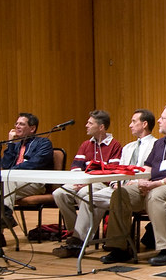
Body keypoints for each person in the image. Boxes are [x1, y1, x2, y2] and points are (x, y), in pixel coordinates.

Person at [99, 104, 166, 266]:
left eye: (163, 118)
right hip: (154, 186)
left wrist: (158, 183)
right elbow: (147, 168)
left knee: (156, 196)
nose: (159, 121)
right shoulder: (160, 144)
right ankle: (120, 248)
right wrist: (139, 181)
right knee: (121, 193)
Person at [51, 109, 156, 257]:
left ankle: (102, 243)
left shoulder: (156, 145)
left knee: (92, 194)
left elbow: (154, 171)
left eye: (133, 121)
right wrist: (114, 183)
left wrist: (136, 182)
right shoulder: (128, 147)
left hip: (139, 189)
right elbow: (117, 170)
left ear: (144, 124)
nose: (130, 125)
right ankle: (78, 240)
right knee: (88, 198)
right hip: (118, 186)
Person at [50, 111, 123, 257]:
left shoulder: (115, 145)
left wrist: (87, 181)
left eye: (90, 123)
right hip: (82, 181)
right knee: (59, 193)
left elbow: (113, 172)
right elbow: (76, 167)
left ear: (101, 127)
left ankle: (79, 239)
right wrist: (79, 181)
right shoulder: (86, 144)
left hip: (100, 182)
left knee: (85, 193)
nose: (86, 125)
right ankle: (75, 233)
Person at [0, 113, 54, 250]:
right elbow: (5, 164)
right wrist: (10, 144)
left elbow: (35, 163)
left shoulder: (44, 143)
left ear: (32, 128)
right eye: (16, 123)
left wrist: (12, 171)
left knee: (2, 186)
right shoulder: (15, 146)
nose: (17, 126)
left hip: (34, 183)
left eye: (21, 124)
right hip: (13, 184)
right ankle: (4, 218)